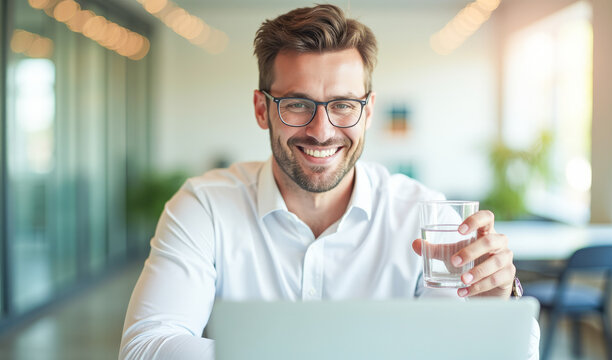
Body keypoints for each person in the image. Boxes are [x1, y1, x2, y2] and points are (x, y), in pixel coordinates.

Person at [119, 4, 538, 359]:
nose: (322, 131)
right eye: (298, 104)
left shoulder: (426, 214)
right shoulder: (204, 207)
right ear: (262, 109)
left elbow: (461, 350)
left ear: (368, 111)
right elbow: (145, 346)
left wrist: (492, 309)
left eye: (342, 105)